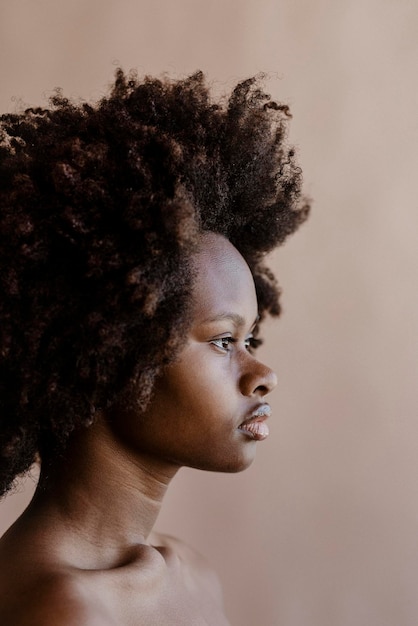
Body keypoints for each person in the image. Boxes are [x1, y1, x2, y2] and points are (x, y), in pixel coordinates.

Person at [0, 69, 309, 625]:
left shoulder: (192, 578)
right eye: (223, 340)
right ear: (109, 350)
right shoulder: (58, 609)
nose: (262, 373)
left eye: (251, 338)